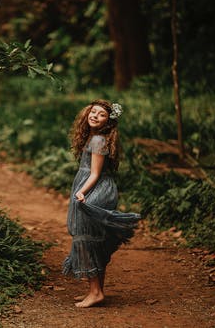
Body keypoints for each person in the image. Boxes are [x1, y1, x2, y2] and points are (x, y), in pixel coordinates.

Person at [63, 99, 141, 308]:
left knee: (86, 237)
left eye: (101, 114)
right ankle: (95, 291)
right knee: (94, 238)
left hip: (95, 188)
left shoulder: (98, 140)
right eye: (93, 111)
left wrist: (81, 192)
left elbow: (95, 174)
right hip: (96, 186)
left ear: (108, 122)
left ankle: (95, 292)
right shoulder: (94, 138)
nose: (95, 116)